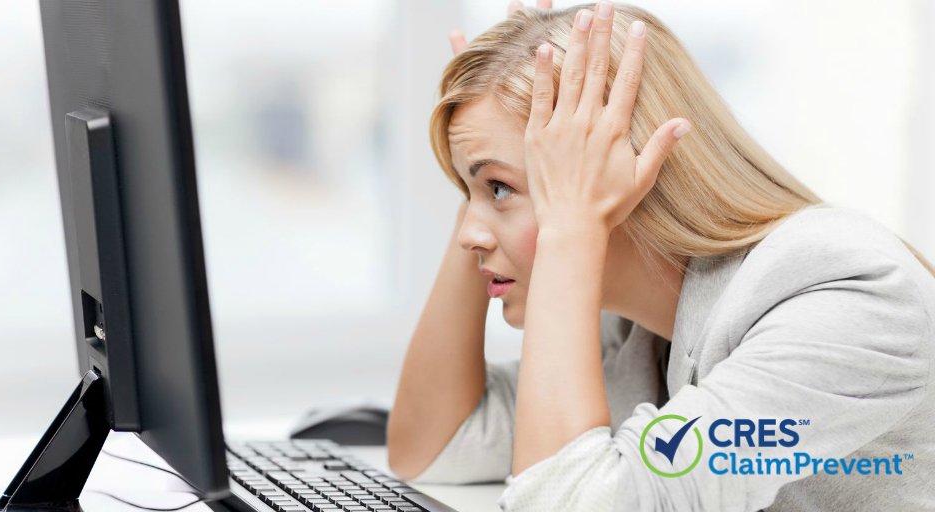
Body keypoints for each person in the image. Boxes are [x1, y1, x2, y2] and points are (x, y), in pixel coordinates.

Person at [387, 1, 935, 511]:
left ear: (617, 172)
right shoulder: (635, 327)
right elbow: (434, 444)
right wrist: (482, 169)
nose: (468, 235)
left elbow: (568, 499)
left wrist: (570, 228)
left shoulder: (845, 297)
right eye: (468, 194)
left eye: (500, 189)